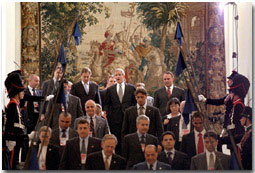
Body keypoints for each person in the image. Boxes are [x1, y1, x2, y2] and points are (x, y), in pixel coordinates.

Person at [104, 68, 136, 154]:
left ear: (123, 76)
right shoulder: (110, 90)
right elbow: (106, 104)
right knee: (116, 140)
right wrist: (108, 114)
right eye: (116, 75)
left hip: (128, 118)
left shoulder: (131, 88)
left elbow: (134, 103)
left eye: (119, 75)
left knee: (127, 139)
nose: (117, 77)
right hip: (114, 120)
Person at [4, 70, 29, 170]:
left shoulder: (16, 105)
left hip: (18, 141)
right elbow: (9, 128)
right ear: (16, 92)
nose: (23, 93)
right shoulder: (12, 106)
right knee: (12, 166)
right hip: (13, 142)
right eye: (21, 91)